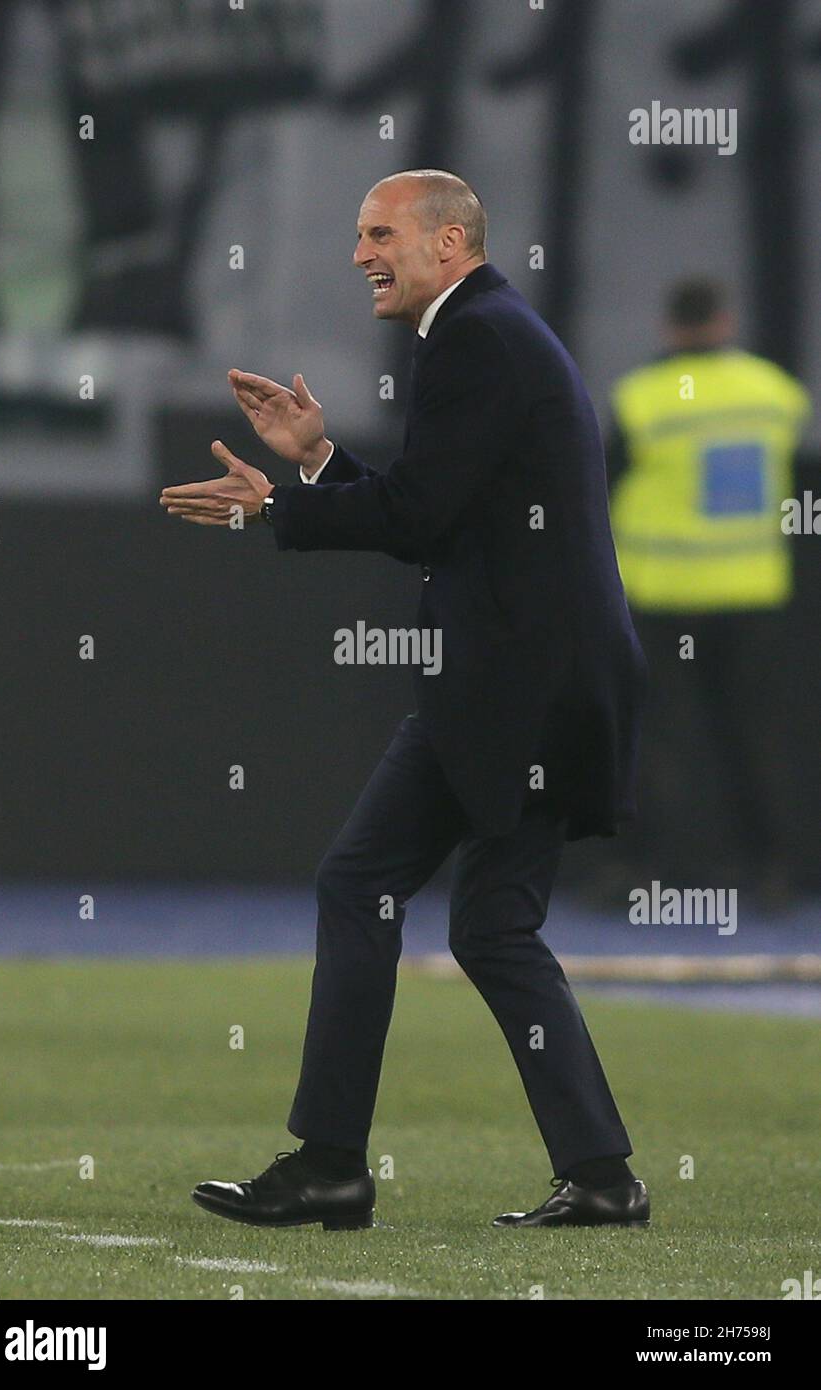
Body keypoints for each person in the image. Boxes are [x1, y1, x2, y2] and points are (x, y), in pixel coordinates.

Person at [161, 170, 649, 1231]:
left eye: (378, 232)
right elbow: (445, 507)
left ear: (447, 241)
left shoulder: (472, 338)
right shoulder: (493, 331)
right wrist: (324, 460)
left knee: (359, 881)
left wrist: (277, 507)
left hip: (514, 692)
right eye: (355, 234)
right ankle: (600, 1175)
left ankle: (331, 1163)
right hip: (547, 682)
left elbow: (422, 513)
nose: (358, 254)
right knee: (489, 926)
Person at [606, 279, 811, 904]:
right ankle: (774, 873)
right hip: (752, 594)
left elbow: (598, 487)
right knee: (758, 736)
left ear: (669, 326)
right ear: (725, 320)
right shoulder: (775, 393)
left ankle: (647, 876)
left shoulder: (642, 399)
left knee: (657, 738)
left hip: (664, 595)